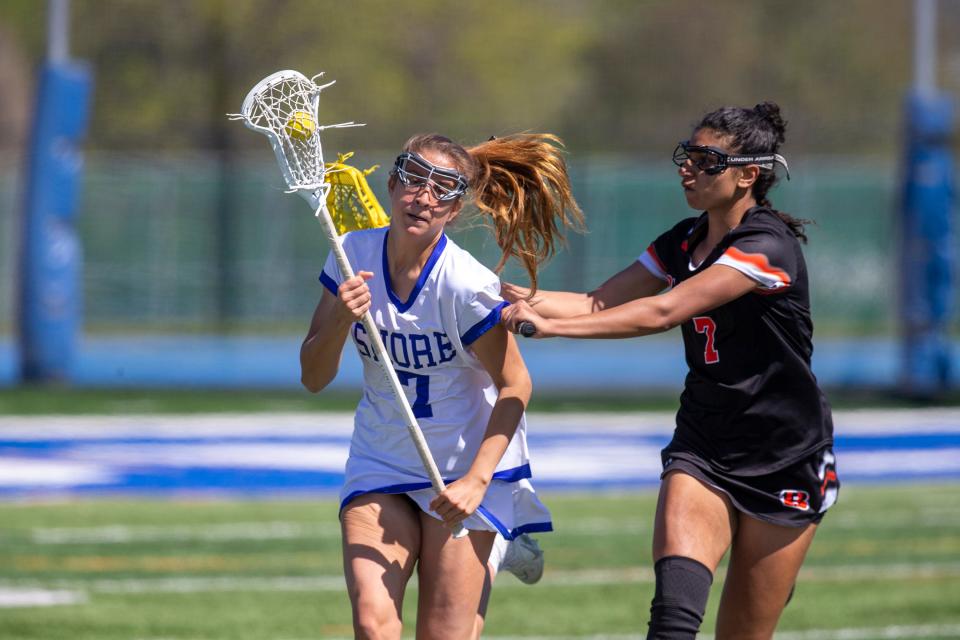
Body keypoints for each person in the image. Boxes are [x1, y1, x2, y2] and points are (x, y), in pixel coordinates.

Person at [501, 102, 840, 639]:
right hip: (704, 446)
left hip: (785, 457)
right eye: (688, 154)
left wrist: (551, 329)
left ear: (748, 174)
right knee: (671, 626)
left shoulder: (765, 246)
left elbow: (662, 311)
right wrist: (500, 297)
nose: (688, 168)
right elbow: (596, 302)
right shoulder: (683, 239)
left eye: (707, 160)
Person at [300, 132, 581, 638]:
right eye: (413, 178)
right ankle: (495, 547)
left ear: (454, 211)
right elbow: (313, 376)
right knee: (373, 623)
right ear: (391, 184)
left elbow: (516, 386)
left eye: (442, 188)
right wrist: (342, 316)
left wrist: (475, 482)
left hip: (461, 472)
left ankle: (495, 543)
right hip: (381, 460)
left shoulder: (465, 285)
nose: (422, 196)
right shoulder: (350, 255)